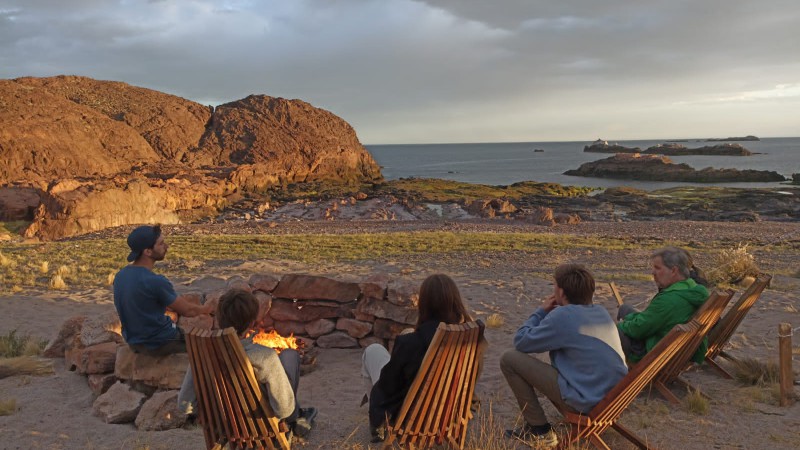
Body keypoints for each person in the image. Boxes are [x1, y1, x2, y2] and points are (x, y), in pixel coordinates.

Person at [500, 263, 627, 448]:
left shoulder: (564, 316)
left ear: (561, 291)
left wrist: (542, 311)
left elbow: (521, 341)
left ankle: (539, 430)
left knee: (509, 359)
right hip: (613, 401)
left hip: (587, 401)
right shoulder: (600, 312)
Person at [177, 289, 318, 438]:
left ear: (218, 320)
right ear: (251, 323)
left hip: (223, 426)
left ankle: (300, 416)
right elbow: (284, 410)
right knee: (290, 355)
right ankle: (298, 418)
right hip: (261, 426)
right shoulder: (264, 356)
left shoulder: (202, 354)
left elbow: (185, 405)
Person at [361, 274, 474, 442]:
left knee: (372, 351)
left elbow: (388, 385)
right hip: (448, 411)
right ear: (455, 302)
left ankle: (378, 425)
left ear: (424, 304)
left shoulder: (411, 343)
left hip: (412, 416)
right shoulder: (468, 337)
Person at [113, 225, 213, 356]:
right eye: (161, 244)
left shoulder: (121, 276)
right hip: (159, 342)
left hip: (134, 342)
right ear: (147, 251)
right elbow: (189, 311)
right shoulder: (155, 281)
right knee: (208, 348)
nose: (166, 247)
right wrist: (208, 308)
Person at [617, 246, 710, 363]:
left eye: (657, 268)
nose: (653, 272)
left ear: (673, 271)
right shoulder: (693, 289)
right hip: (676, 347)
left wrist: (620, 325)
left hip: (655, 351)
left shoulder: (669, 300)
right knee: (626, 309)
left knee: (615, 331)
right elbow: (650, 320)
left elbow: (638, 329)